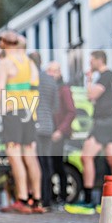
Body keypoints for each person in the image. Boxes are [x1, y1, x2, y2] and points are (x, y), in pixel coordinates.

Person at [66, 50, 112, 215]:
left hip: (103, 121)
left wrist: (89, 80)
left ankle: (89, 200)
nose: (90, 65)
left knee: (86, 157)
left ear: (99, 60)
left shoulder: (105, 76)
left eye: (91, 62)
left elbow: (91, 95)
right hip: (111, 120)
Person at [0, 32, 43, 214]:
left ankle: (22, 198)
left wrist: (1, 109)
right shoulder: (29, 62)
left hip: (12, 111)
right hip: (29, 112)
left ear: (4, 43)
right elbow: (34, 85)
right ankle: (37, 199)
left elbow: (0, 88)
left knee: (14, 155)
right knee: (30, 155)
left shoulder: (6, 62)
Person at [29, 52, 58, 209]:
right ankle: (48, 198)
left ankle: (39, 196)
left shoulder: (32, 80)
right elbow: (56, 106)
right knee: (47, 162)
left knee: (37, 162)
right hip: (48, 125)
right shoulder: (50, 80)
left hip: (34, 124)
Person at [46, 62, 76, 205]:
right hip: (49, 131)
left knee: (57, 165)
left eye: (53, 71)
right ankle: (52, 196)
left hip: (58, 133)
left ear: (58, 72)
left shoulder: (64, 89)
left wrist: (60, 130)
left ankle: (62, 197)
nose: (50, 74)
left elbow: (71, 111)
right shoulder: (51, 88)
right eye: (49, 71)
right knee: (50, 165)